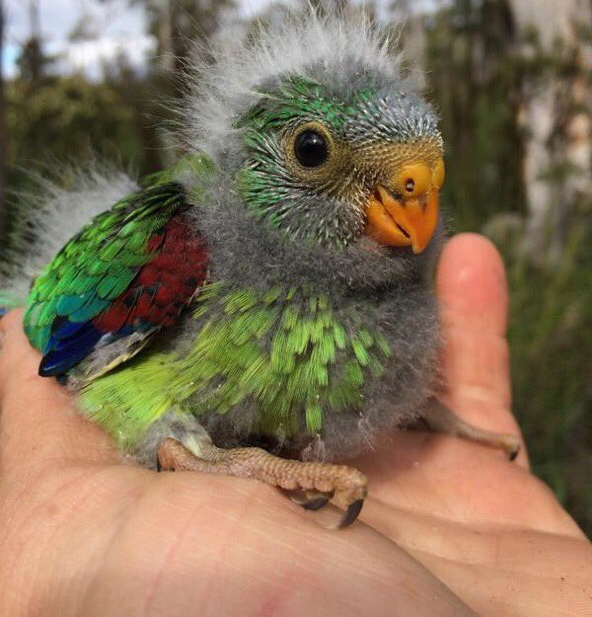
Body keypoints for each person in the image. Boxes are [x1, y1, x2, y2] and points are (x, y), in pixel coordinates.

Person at [0, 234, 590, 615]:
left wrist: (411, 404)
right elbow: (70, 348)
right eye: (313, 153)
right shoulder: (181, 248)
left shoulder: (383, 268)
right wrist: (215, 459)